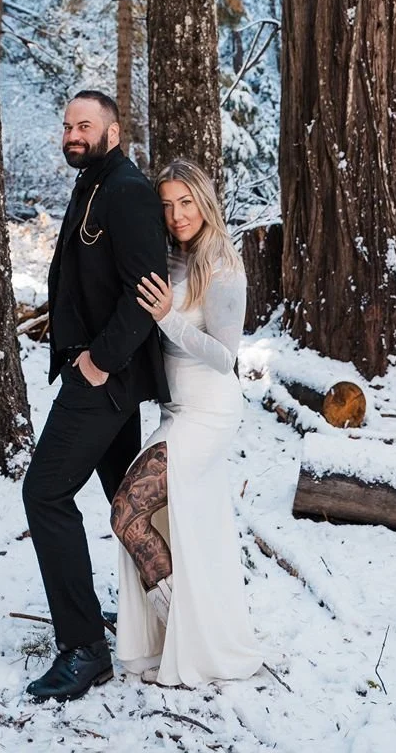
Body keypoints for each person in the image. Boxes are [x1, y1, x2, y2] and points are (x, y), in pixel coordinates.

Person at [22, 91, 170, 703]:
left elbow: (147, 286)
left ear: (113, 130)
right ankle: (159, 618)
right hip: (101, 379)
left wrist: (99, 362)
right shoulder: (93, 183)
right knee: (123, 504)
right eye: (67, 125)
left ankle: (83, 648)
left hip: (104, 382)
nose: (73, 134)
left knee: (45, 493)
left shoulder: (127, 189)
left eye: (85, 125)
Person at [111, 156, 261, 687]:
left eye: (186, 202)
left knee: (128, 513)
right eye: (168, 204)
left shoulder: (223, 264)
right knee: (162, 522)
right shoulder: (170, 257)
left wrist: (167, 318)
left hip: (210, 411)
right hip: (177, 409)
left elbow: (225, 356)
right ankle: (184, 632)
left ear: (204, 201)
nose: (177, 214)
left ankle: (186, 632)